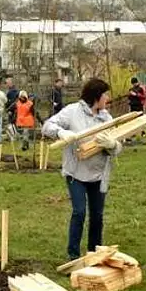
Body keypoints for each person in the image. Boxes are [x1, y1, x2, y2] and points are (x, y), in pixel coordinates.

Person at [42, 78, 123, 260]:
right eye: (105, 95)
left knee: (97, 215)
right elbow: (47, 126)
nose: (108, 98)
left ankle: (95, 253)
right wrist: (61, 132)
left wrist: (112, 145)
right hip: (76, 173)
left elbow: (118, 147)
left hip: (98, 175)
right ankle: (73, 255)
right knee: (79, 212)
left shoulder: (106, 118)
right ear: (96, 96)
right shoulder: (72, 111)